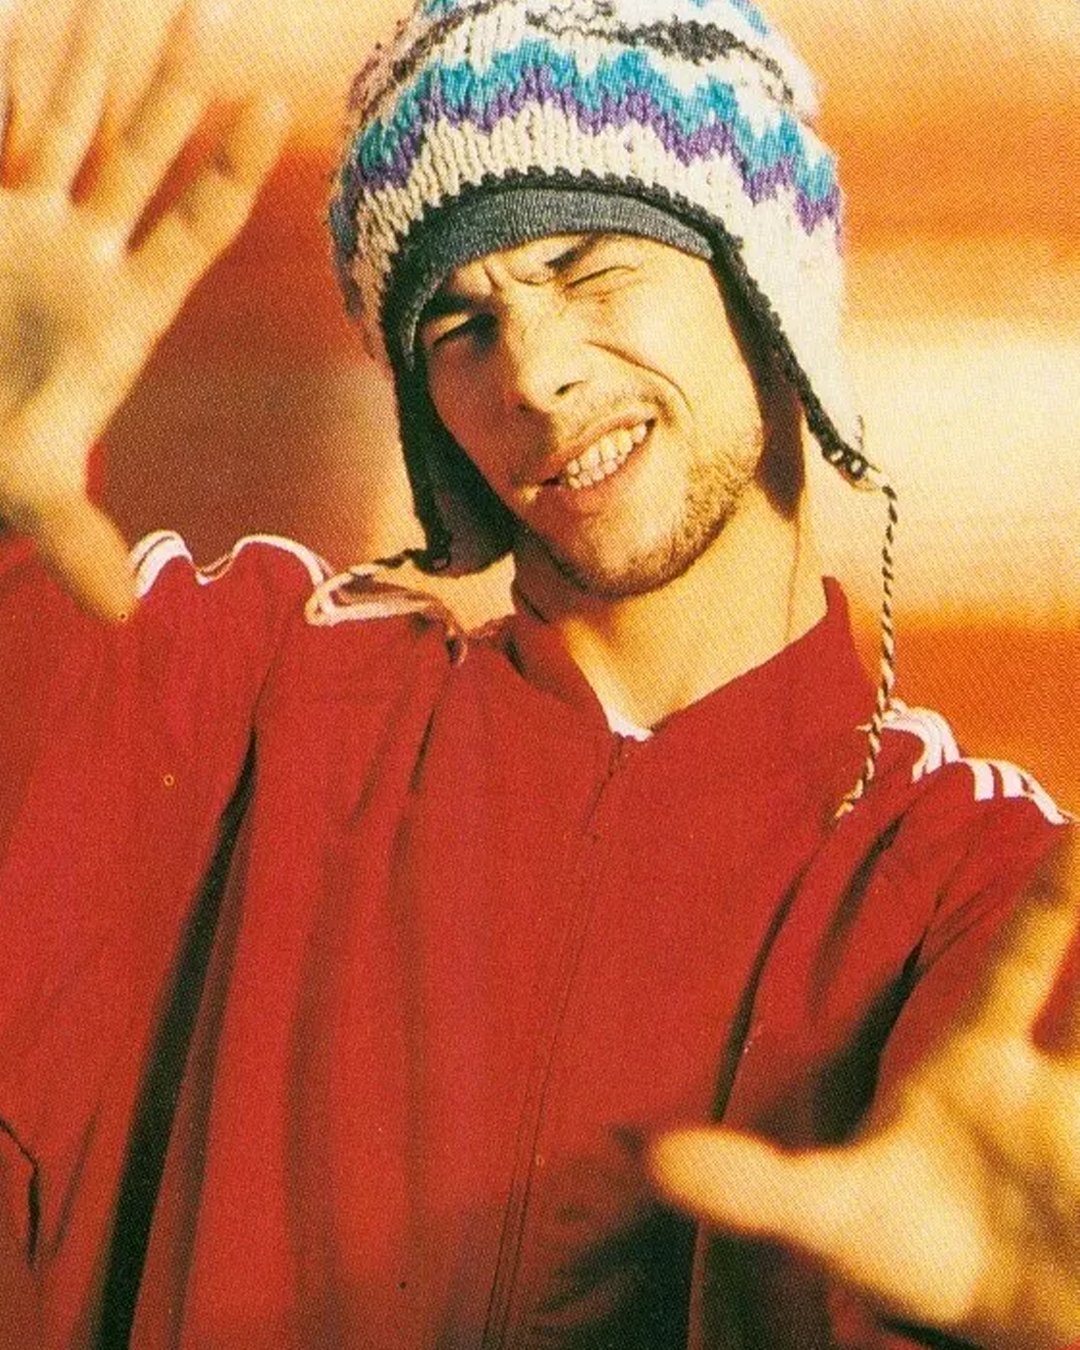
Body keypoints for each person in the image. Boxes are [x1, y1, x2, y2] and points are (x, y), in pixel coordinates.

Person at [0, 0, 1076, 1347]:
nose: (534, 376)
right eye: (459, 323)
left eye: (586, 265)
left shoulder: (987, 896)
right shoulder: (258, 700)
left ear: (768, 286)